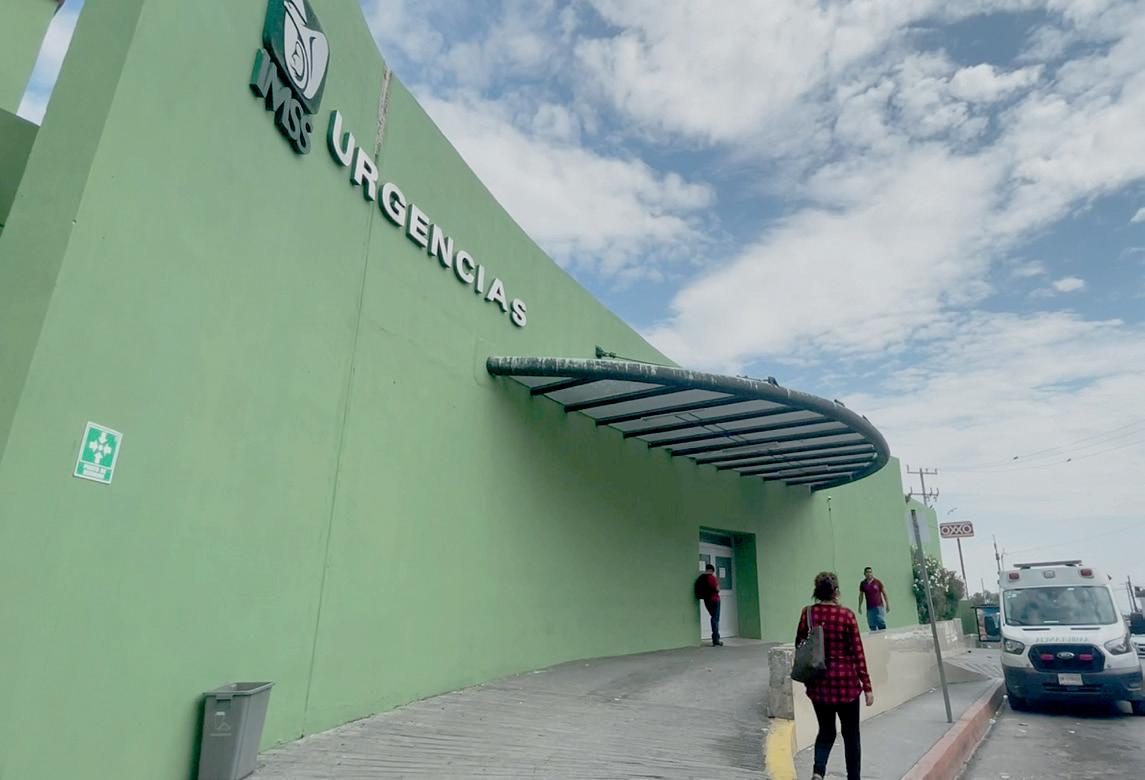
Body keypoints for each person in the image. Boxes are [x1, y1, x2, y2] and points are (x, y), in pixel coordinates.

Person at [797, 571, 874, 780]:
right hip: (846, 685)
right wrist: (867, 686)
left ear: (816, 591)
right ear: (836, 591)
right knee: (851, 735)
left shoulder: (808, 614)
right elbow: (858, 653)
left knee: (826, 731)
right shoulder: (846, 615)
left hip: (819, 685)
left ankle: (818, 771)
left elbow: (800, 645)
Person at [694, 564, 722, 646]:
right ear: (711, 570)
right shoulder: (712, 577)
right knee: (715, 619)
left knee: (713, 617)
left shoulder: (701, 578)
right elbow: (717, 589)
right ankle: (716, 639)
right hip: (715, 600)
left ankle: (715, 638)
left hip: (707, 600)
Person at [857, 566, 889, 632]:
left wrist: (887, 604)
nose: (869, 574)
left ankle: (883, 635)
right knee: (871, 624)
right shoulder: (863, 584)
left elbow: (884, 593)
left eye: (870, 572)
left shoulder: (877, 582)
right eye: (867, 572)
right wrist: (859, 606)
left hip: (879, 606)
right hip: (869, 607)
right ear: (864, 574)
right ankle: (874, 637)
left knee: (880, 622)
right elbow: (861, 595)